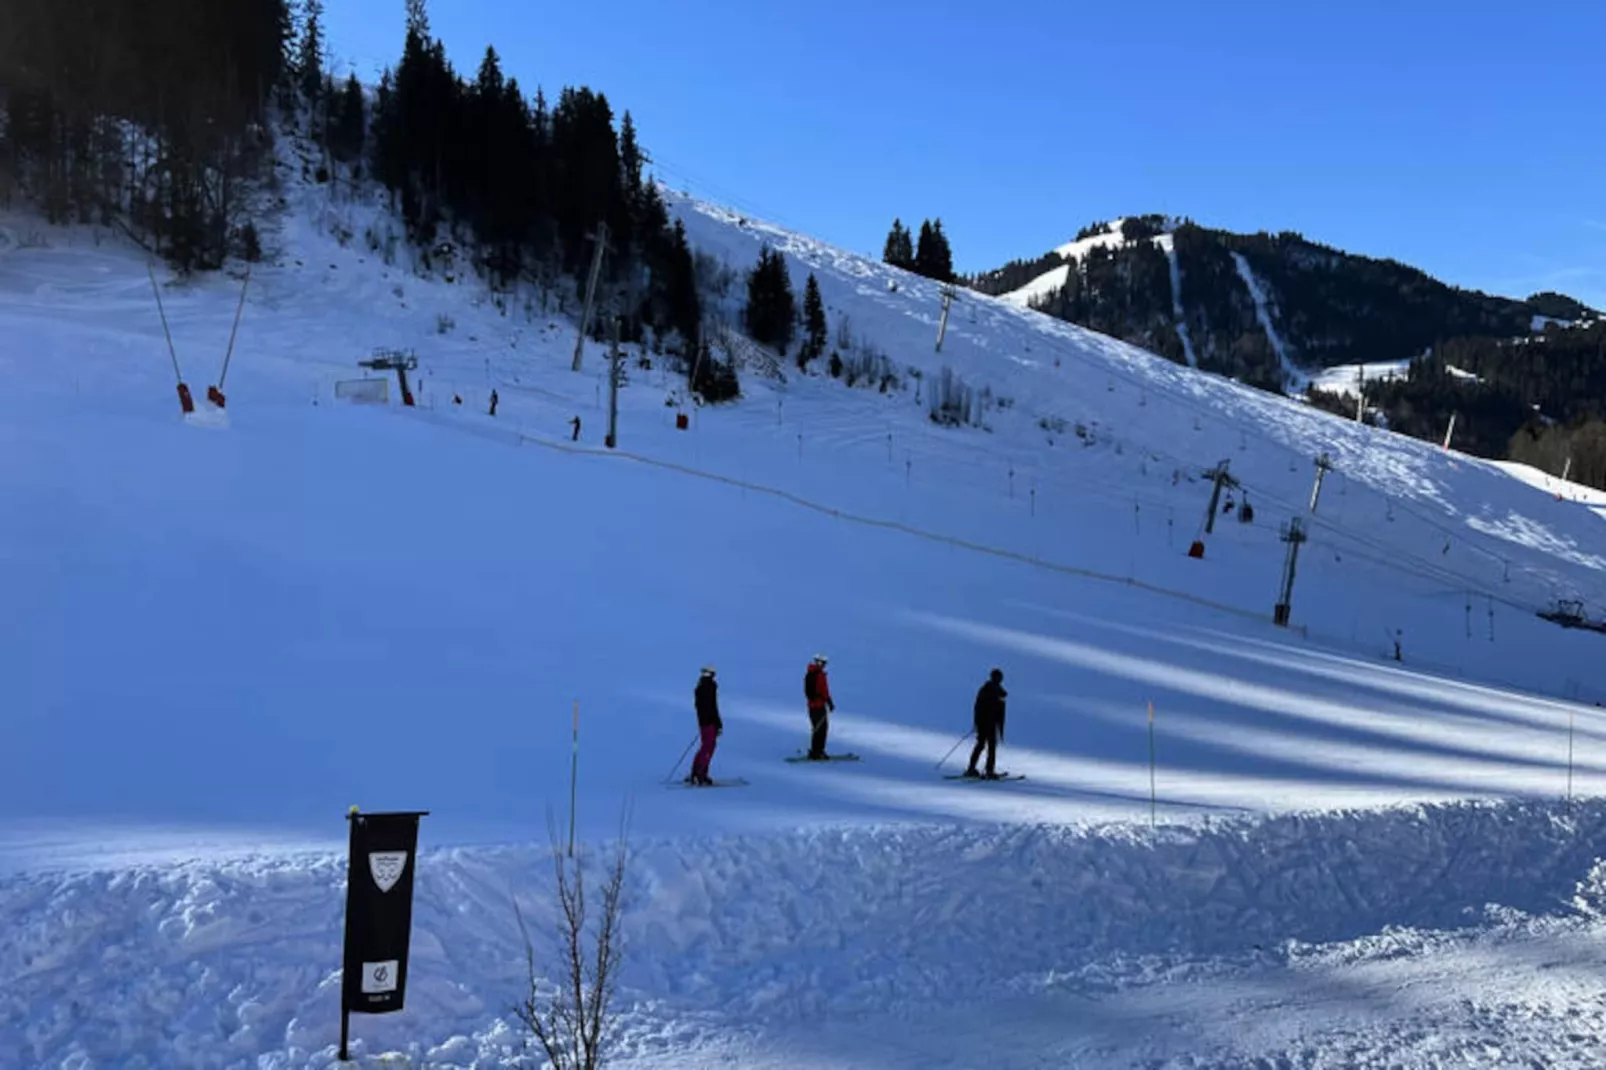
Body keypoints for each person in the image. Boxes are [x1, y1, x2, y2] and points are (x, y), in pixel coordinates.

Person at [965, 668, 1007, 778]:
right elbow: (978, 708)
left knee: (984, 746)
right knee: (987, 746)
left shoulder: (996, 692)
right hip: (986, 724)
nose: (999, 680)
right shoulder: (987, 690)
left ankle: (975, 769)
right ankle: (985, 770)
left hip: (989, 724)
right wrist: (977, 723)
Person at [687, 665, 722, 785]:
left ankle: (696, 772)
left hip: (703, 722)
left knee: (705, 747)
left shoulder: (700, 687)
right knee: (708, 747)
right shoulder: (709, 687)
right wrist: (717, 723)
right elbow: (713, 707)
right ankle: (700, 774)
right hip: (709, 722)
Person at [804, 654, 834, 759]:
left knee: (818, 729)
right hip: (817, 706)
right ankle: (818, 752)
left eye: (823, 663)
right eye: (820, 662)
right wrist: (827, 701)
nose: (822, 665)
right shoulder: (817, 675)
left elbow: (822, 691)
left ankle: (815, 751)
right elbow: (819, 691)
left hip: (815, 706)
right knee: (820, 729)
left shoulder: (814, 674)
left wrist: (828, 701)